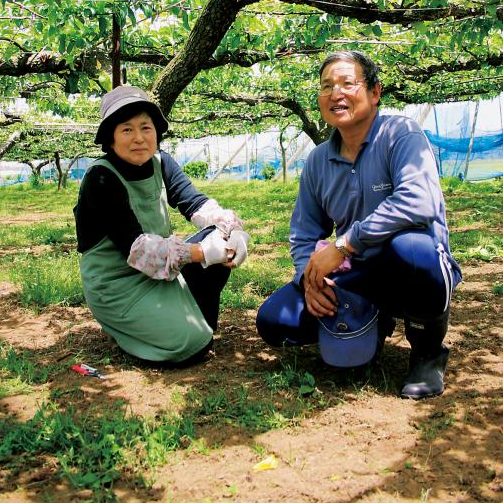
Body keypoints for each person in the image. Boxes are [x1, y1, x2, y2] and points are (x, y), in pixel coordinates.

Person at [256, 51, 461, 399]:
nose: (336, 93)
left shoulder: (400, 134)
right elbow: (305, 232)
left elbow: (418, 201)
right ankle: (375, 321)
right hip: (362, 274)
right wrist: (310, 279)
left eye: (347, 83)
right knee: (276, 320)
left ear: (374, 92)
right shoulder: (319, 160)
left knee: (411, 249)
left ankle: (428, 351)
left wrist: (344, 245)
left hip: (412, 264)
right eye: (326, 86)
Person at [74, 85, 249, 366]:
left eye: (146, 127)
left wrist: (233, 229)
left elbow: (197, 204)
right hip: (119, 284)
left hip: (158, 272)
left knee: (219, 235)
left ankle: (192, 323)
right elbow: (136, 248)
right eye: (127, 130)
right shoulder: (101, 179)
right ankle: (137, 331)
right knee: (189, 345)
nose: (139, 138)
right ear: (111, 138)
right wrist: (201, 252)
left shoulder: (162, 162)